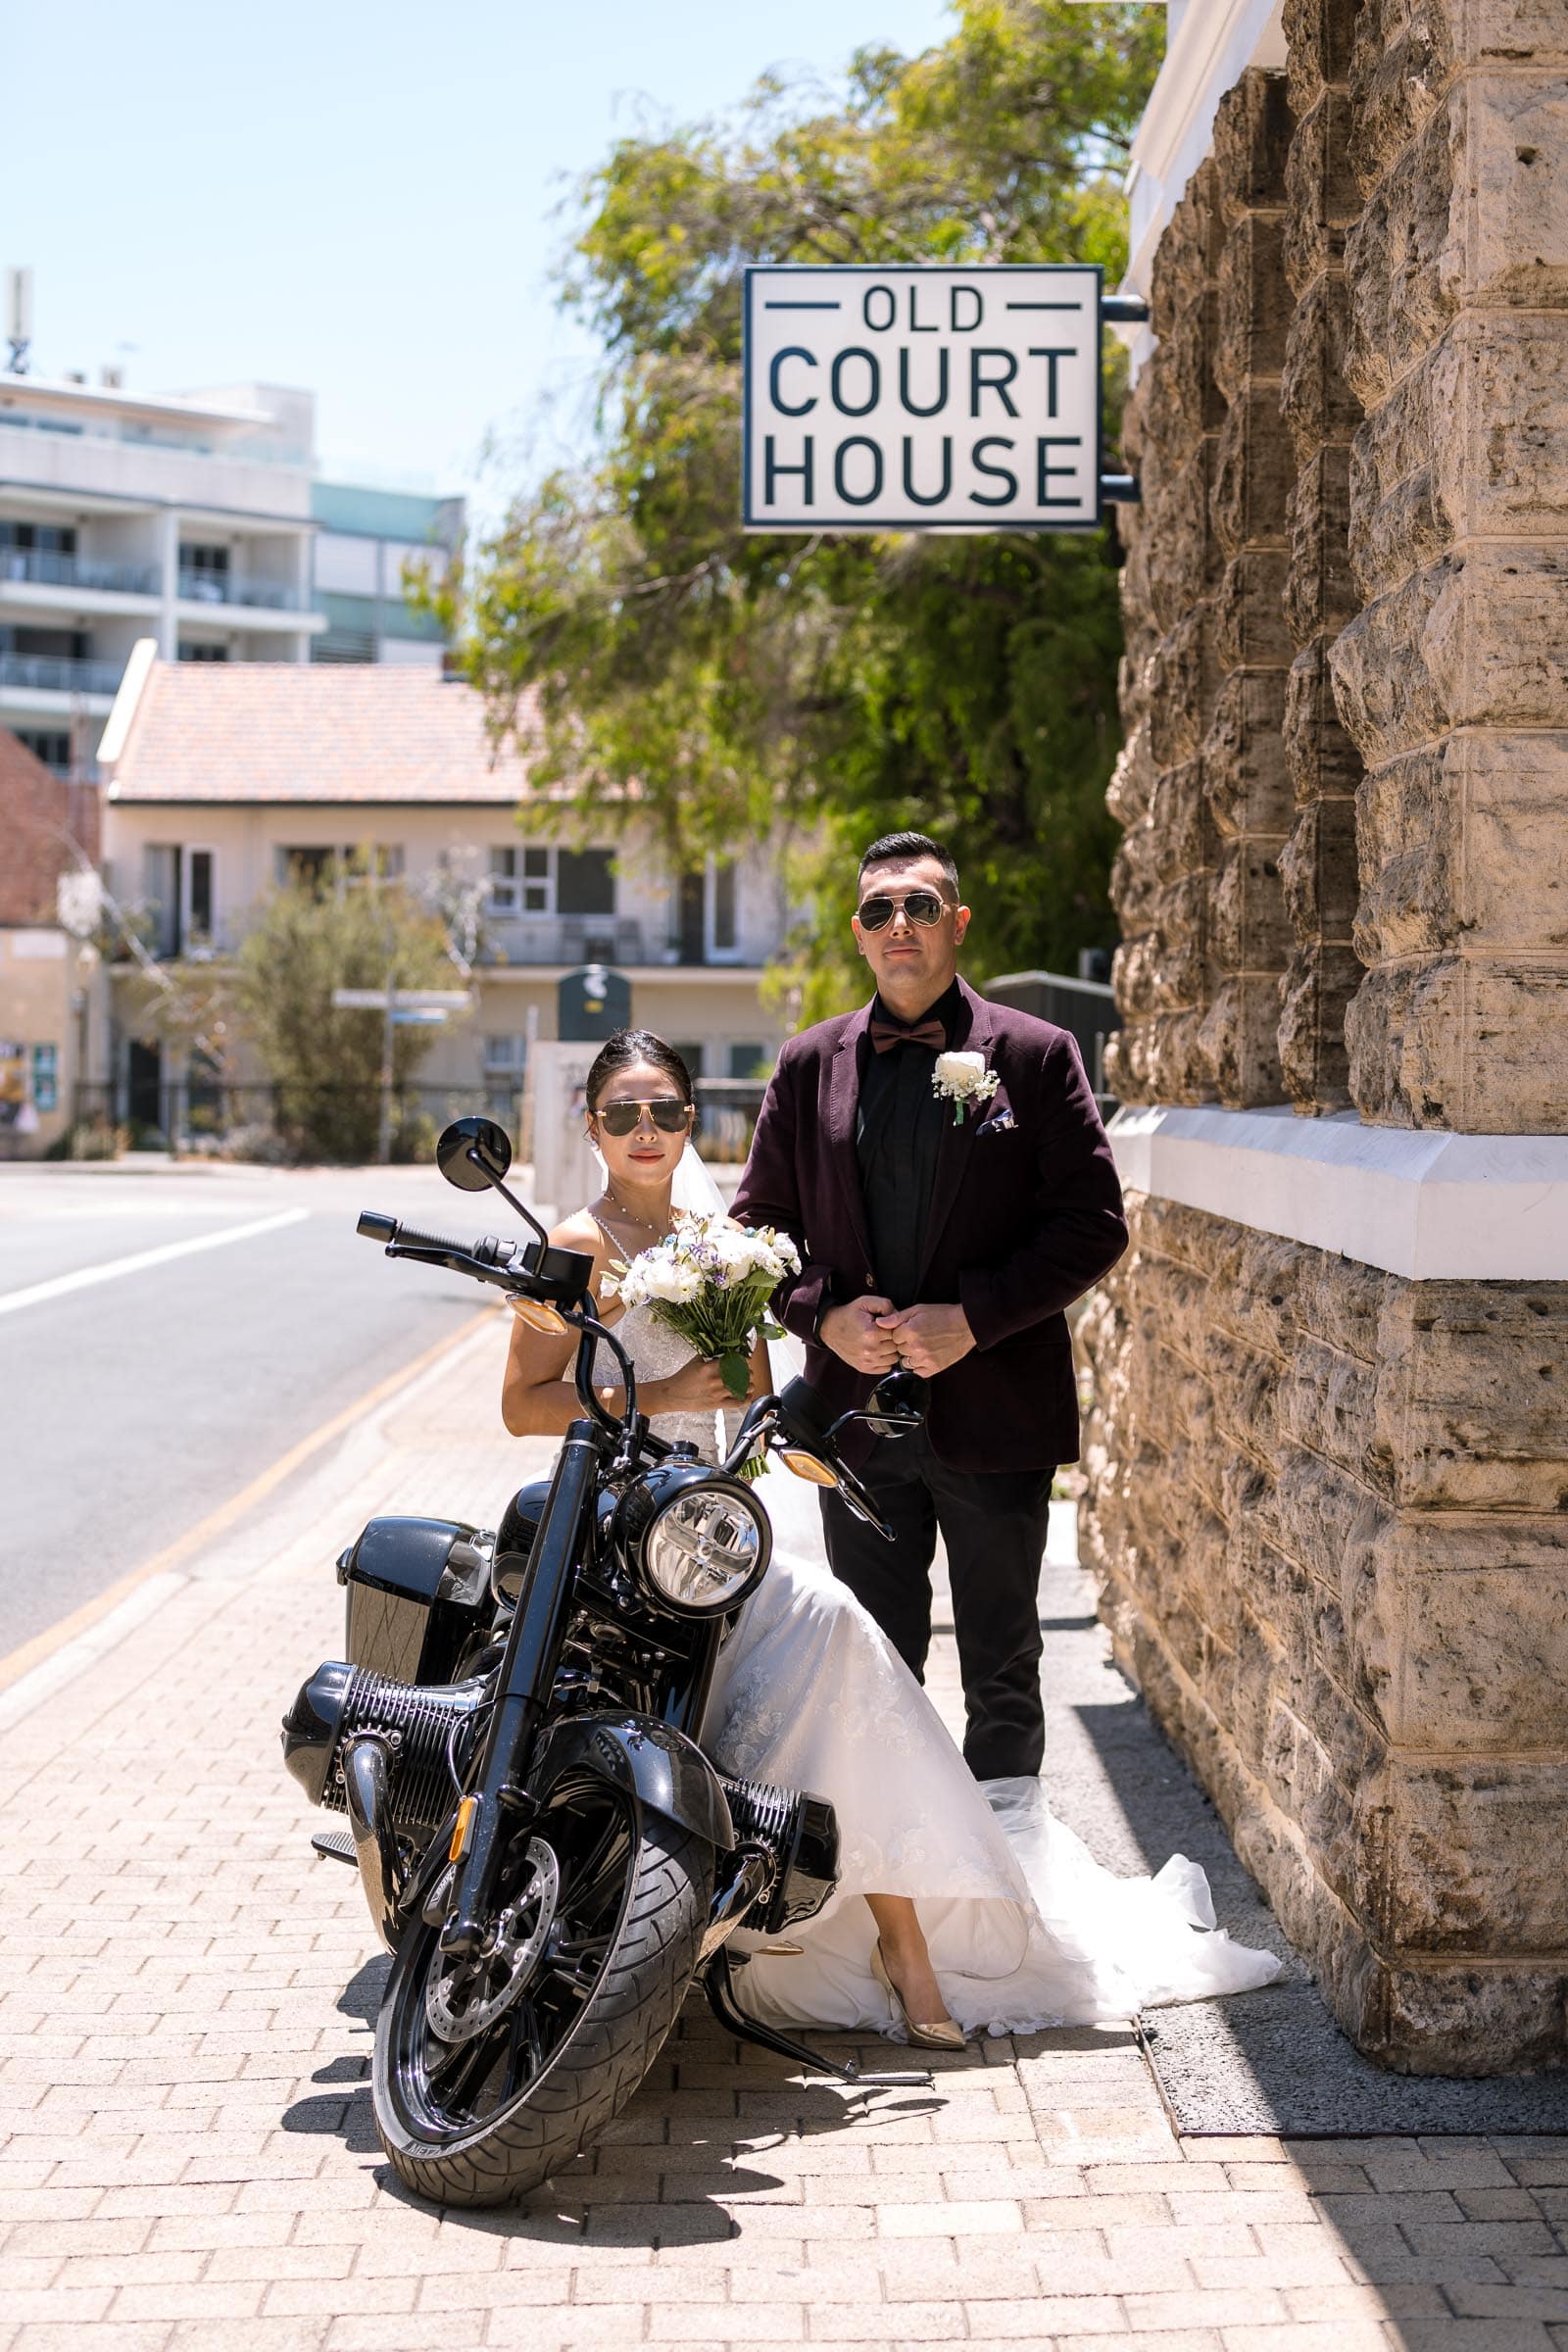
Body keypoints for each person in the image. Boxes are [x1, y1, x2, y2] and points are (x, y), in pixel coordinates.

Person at [502, 1026, 1282, 2046]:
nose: (645, 1131)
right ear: (591, 1126)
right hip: (619, 1526)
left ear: (690, 1122)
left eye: (664, 1111)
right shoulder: (570, 1244)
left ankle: (905, 1949)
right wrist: (656, 1391)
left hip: (719, 1528)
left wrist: (761, 1410)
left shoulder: (722, 1245)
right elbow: (523, 1404)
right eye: (622, 1114)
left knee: (847, 1645)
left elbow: (741, 1393)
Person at [733, 830, 1129, 1786]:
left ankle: (1001, 1886)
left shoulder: (1033, 1056)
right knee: (873, 1670)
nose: (898, 923)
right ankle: (897, 1891)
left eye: (918, 905)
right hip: (853, 1423)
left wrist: (973, 1318)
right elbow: (758, 1232)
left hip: (994, 1414)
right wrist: (820, 1315)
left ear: (955, 923)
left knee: (1002, 1672)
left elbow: (1093, 1226)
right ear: (859, 934)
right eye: (879, 910)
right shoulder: (804, 1066)